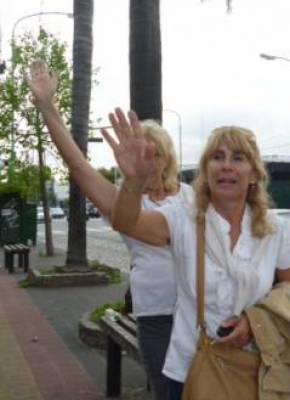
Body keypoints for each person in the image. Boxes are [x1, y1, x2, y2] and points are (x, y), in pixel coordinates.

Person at [102, 110, 290, 399]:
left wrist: (255, 323)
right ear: (206, 171)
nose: (226, 165)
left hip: (261, 372)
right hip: (191, 371)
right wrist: (132, 181)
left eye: (238, 158)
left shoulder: (280, 230)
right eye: (217, 157)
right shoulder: (181, 218)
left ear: (254, 174)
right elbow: (126, 222)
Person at [26, 61, 192, 400]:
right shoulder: (122, 202)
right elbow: (77, 163)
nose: (147, 159)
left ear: (167, 157)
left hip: (201, 311)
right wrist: (47, 107)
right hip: (157, 317)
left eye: (154, 151)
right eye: (138, 151)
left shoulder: (190, 196)